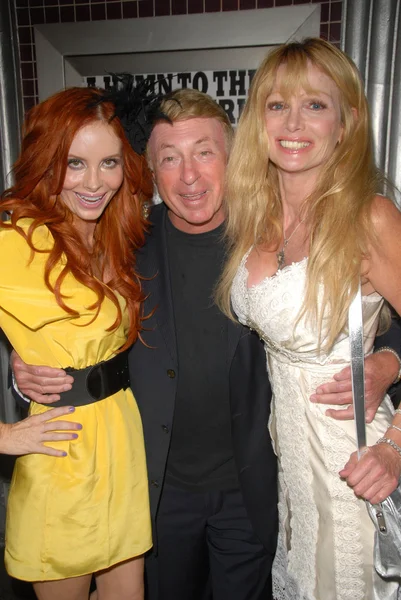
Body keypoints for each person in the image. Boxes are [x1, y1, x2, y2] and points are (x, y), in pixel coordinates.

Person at [12, 88, 401, 600]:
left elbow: (370, 313)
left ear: (234, 157)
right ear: (149, 171)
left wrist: (389, 361)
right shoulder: (123, 244)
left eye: (204, 153)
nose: (188, 176)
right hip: (152, 489)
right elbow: (65, 323)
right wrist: (26, 365)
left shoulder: (271, 240)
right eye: (169, 158)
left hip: (255, 487)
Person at [217, 38, 401, 599]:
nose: (293, 122)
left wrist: (396, 447)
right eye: (277, 105)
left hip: (356, 469)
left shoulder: (369, 217)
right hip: (290, 475)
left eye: (315, 105)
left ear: (345, 123)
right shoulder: (254, 218)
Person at [0, 84, 156, 600]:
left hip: (120, 448)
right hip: (62, 457)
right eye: (75, 163)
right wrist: (4, 437)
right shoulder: (16, 240)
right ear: (47, 163)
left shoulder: (110, 230)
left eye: (109, 162)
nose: (95, 182)